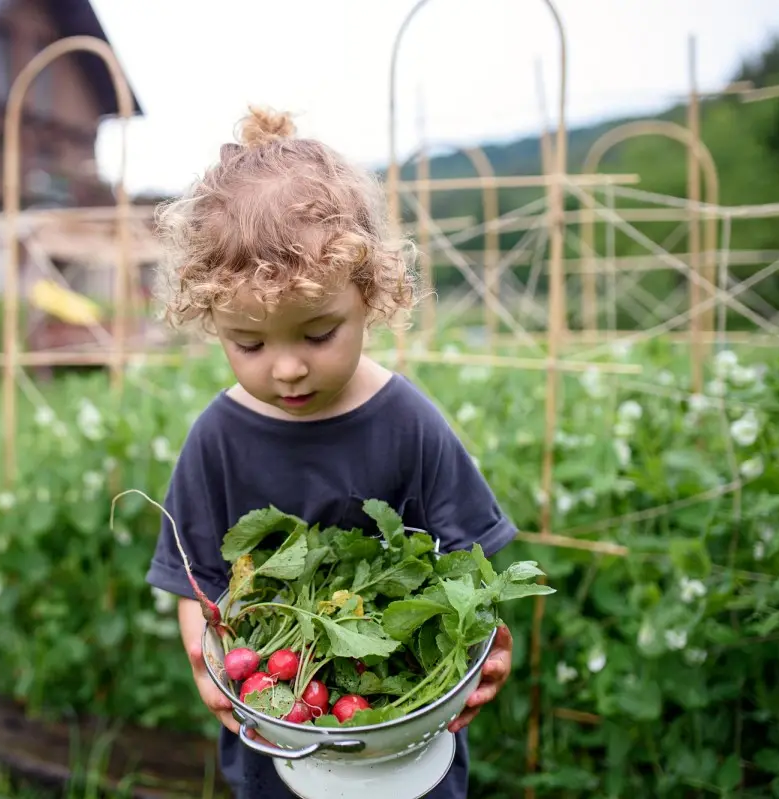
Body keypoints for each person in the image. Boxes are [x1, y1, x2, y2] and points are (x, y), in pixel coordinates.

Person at [144, 105, 518, 799]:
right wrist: (210, 662)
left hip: (403, 723)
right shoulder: (217, 439)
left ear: (370, 295)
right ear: (212, 322)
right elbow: (195, 580)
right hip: (279, 728)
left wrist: (485, 646)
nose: (285, 368)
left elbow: (474, 570)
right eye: (249, 343)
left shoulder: (408, 422)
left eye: (317, 334)